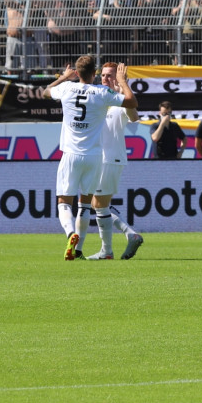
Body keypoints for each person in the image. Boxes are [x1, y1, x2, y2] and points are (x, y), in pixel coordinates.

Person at [43, 55, 137, 261]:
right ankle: (81, 250)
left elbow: (45, 91)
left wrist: (63, 77)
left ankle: (72, 234)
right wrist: (123, 82)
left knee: (64, 202)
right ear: (95, 73)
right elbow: (132, 101)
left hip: (72, 154)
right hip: (94, 157)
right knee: (86, 205)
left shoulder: (67, 88)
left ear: (77, 73)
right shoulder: (103, 93)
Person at [88, 61, 145, 261]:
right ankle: (128, 235)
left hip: (109, 158)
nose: (105, 78)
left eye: (110, 75)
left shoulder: (120, 98)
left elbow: (134, 117)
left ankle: (108, 250)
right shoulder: (98, 97)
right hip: (100, 158)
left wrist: (123, 85)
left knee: (99, 205)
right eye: (103, 75)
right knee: (97, 204)